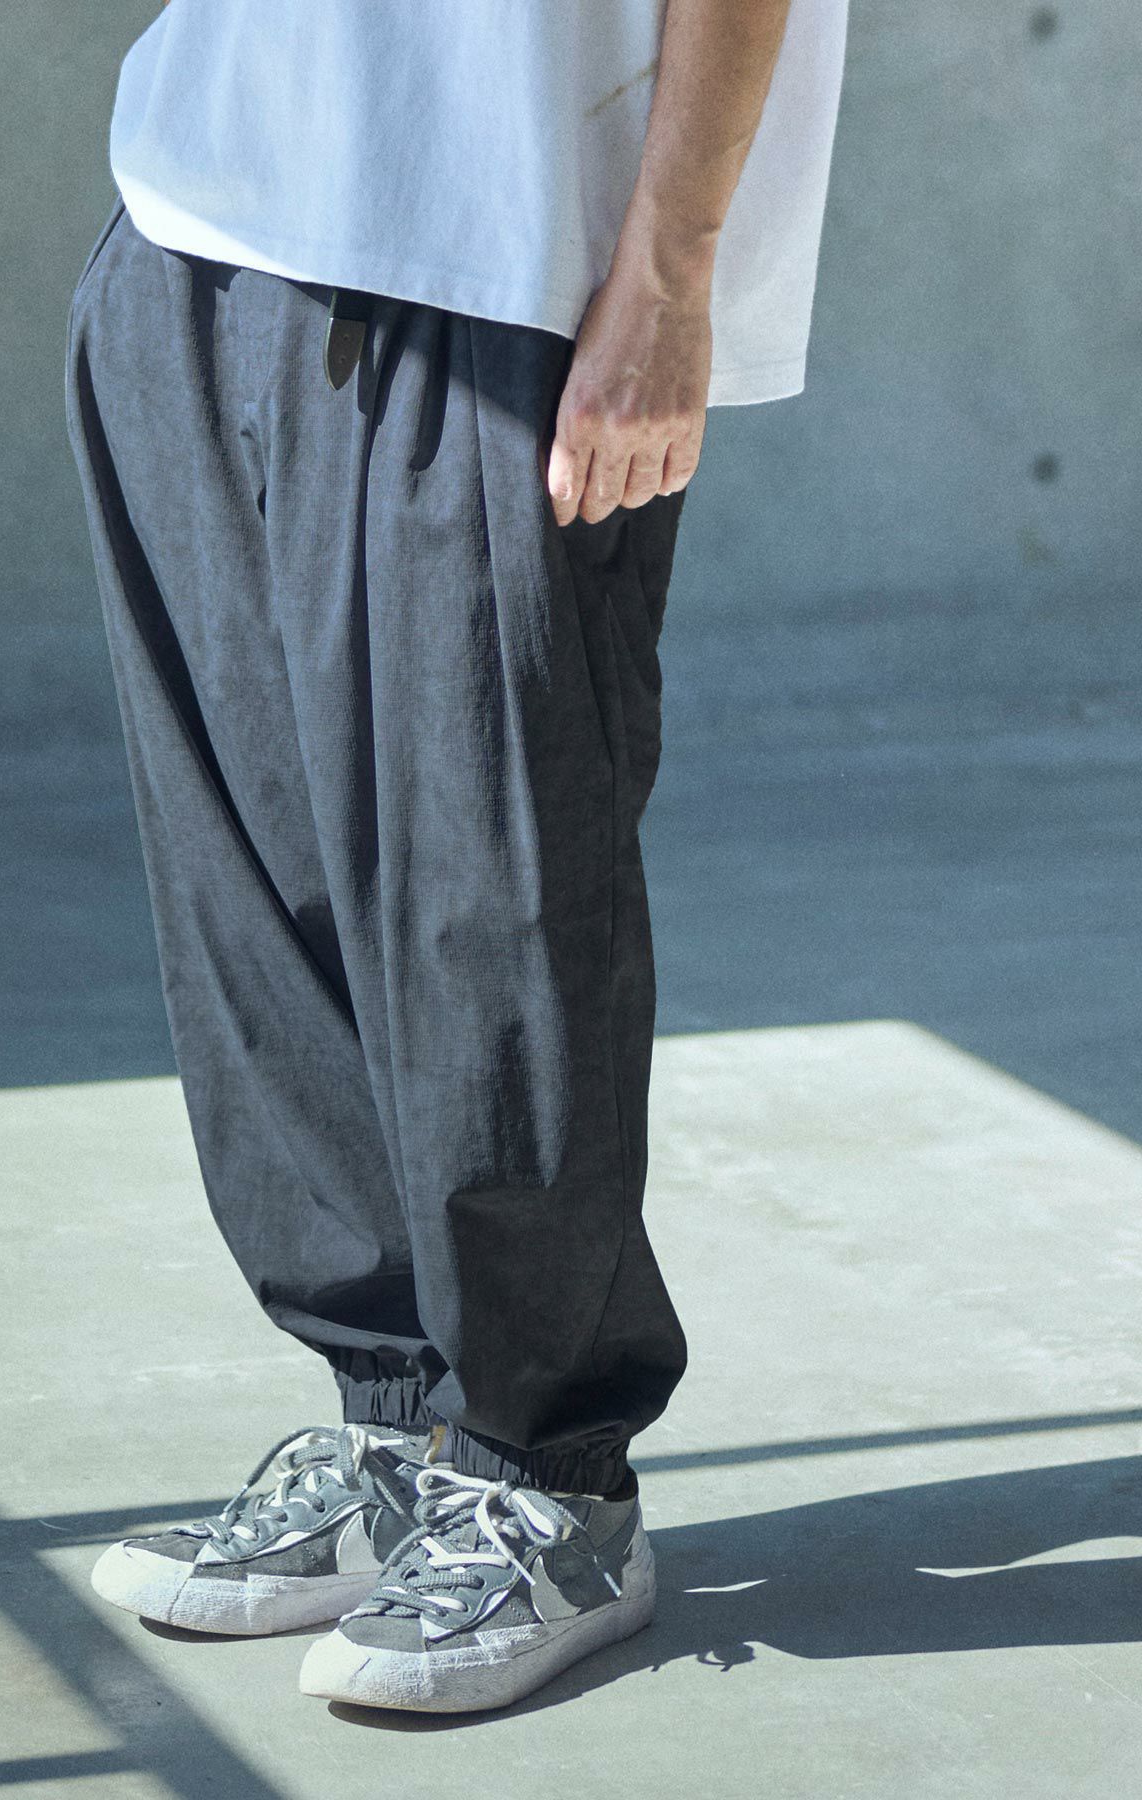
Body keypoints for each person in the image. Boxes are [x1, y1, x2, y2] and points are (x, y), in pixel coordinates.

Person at [64, 0, 848, 1715]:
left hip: (504, 258)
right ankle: (395, 1433)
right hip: (200, 207)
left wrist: (671, 274)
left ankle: (553, 1483)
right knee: (257, 894)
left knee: (488, 897)